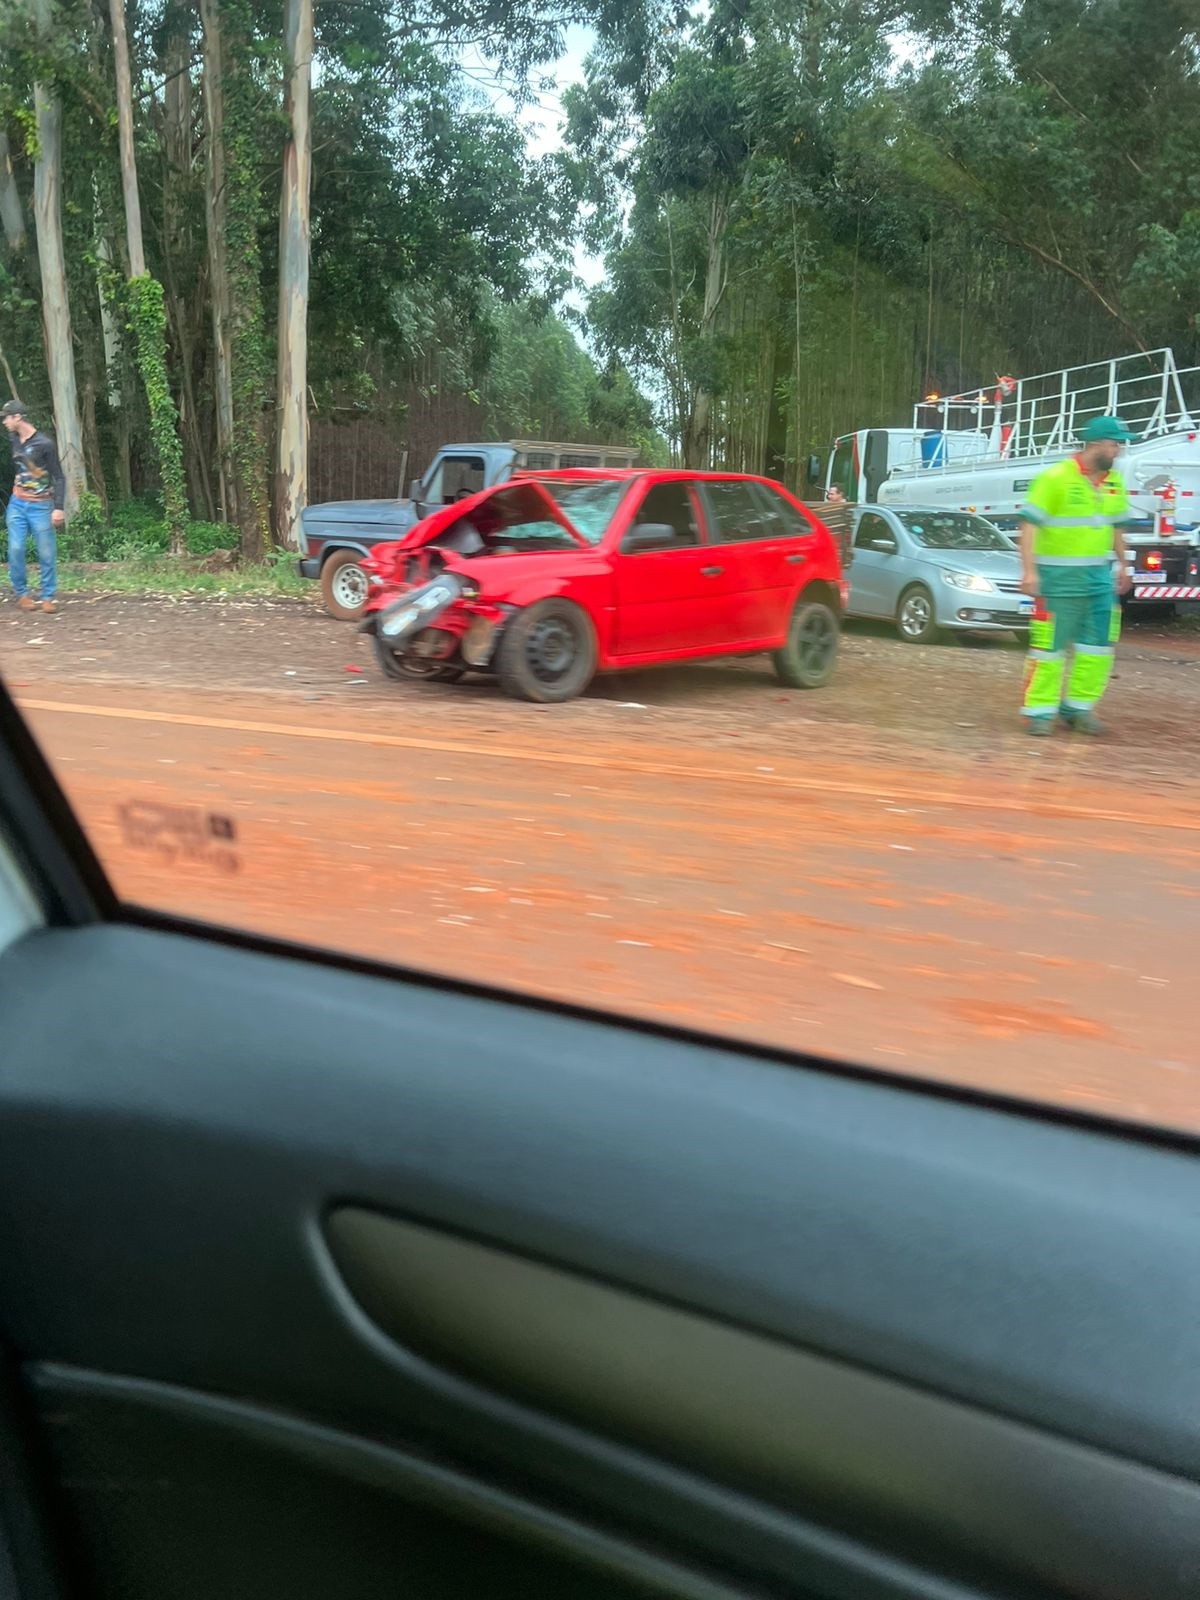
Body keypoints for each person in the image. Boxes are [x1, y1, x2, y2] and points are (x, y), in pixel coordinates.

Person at [1017, 415, 1133, 737]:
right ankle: (1039, 712)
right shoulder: (1055, 478)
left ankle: (1079, 709)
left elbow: (1116, 529)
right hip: (1056, 583)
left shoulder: (1114, 482)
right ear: (1096, 445)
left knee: (1097, 649)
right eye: (1114, 444)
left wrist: (1125, 565)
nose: (1118, 451)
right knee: (1047, 650)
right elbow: (1028, 527)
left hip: (1098, 583)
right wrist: (1028, 572)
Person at [3, 398, 65, 614]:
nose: (4, 422)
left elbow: (58, 477)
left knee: (46, 552)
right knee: (16, 548)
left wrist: (58, 507)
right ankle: (22, 594)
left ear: (17, 417)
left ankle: (48, 596)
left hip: (41, 506)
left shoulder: (45, 444)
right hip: (17, 504)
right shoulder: (14, 438)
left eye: (6, 417)